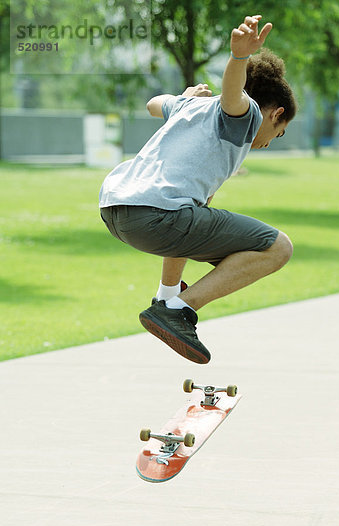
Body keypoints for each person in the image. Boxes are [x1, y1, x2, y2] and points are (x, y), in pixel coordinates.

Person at [99, 15, 297, 364]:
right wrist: (238, 58)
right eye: (278, 133)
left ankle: (168, 298)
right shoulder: (247, 115)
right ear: (275, 114)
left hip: (117, 210)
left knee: (195, 209)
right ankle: (180, 311)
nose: (267, 143)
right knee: (278, 248)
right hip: (156, 216)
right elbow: (234, 96)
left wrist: (183, 96)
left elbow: (153, 103)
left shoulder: (191, 106)